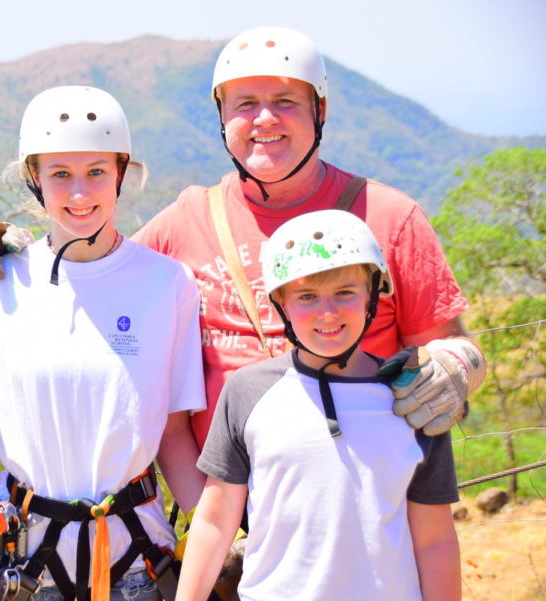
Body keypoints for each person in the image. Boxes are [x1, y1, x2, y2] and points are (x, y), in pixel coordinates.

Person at [0, 26, 486, 448]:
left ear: (319, 111)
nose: (264, 120)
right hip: (230, 508)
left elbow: (449, 338)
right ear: (221, 117)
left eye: (284, 101)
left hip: (358, 499)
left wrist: (458, 365)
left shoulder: (390, 216)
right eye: (244, 104)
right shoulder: (190, 218)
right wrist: (10, 247)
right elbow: (97, 264)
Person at [0, 85, 206, 601]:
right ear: (34, 178)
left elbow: (173, 429)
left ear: (121, 173)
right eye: (60, 174)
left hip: (137, 558)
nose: (80, 193)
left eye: (96, 172)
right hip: (25, 562)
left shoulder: (166, 284)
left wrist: (215, 533)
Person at [177, 209, 462, 601]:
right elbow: (214, 520)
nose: (327, 312)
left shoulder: (415, 397)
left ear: (371, 296)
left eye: (345, 292)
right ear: (281, 302)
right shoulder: (247, 392)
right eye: (307, 296)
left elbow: (434, 539)